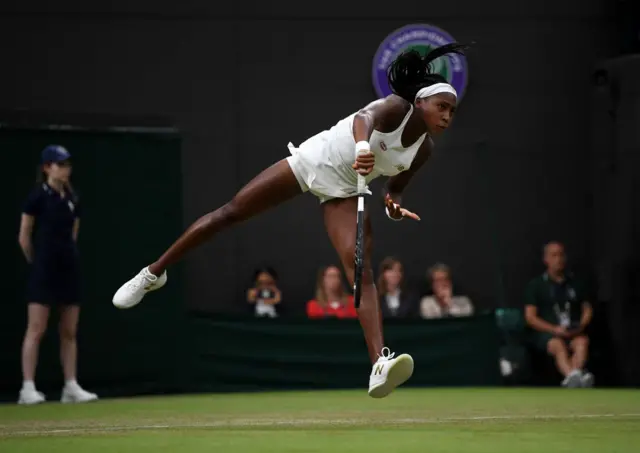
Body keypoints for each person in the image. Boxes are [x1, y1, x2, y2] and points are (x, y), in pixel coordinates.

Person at [113, 43, 469, 398]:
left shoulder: (423, 150)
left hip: (346, 191)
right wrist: (362, 147)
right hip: (313, 162)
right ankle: (153, 273)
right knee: (231, 212)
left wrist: (393, 203)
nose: (447, 116)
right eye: (442, 107)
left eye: (452, 111)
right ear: (419, 102)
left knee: (360, 269)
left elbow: (396, 188)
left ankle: (378, 363)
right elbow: (364, 118)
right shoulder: (396, 109)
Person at [17, 145, 98, 405]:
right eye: (59, 164)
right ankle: (27, 388)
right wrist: (38, 262)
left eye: (67, 164)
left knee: (69, 330)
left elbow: (73, 234)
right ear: (46, 167)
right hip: (44, 269)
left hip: (69, 269)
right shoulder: (36, 197)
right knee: (36, 328)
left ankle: (70, 386)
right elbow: (24, 236)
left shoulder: (74, 198)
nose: (65, 169)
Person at [524, 241, 595, 388]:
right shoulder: (536, 285)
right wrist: (554, 329)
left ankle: (574, 378)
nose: (558, 259)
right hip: (548, 334)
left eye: (561, 255)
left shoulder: (576, 283)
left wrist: (581, 326)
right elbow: (530, 317)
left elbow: (587, 309)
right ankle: (573, 375)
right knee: (557, 344)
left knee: (582, 342)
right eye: (554, 255)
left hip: (573, 331)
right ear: (546, 259)